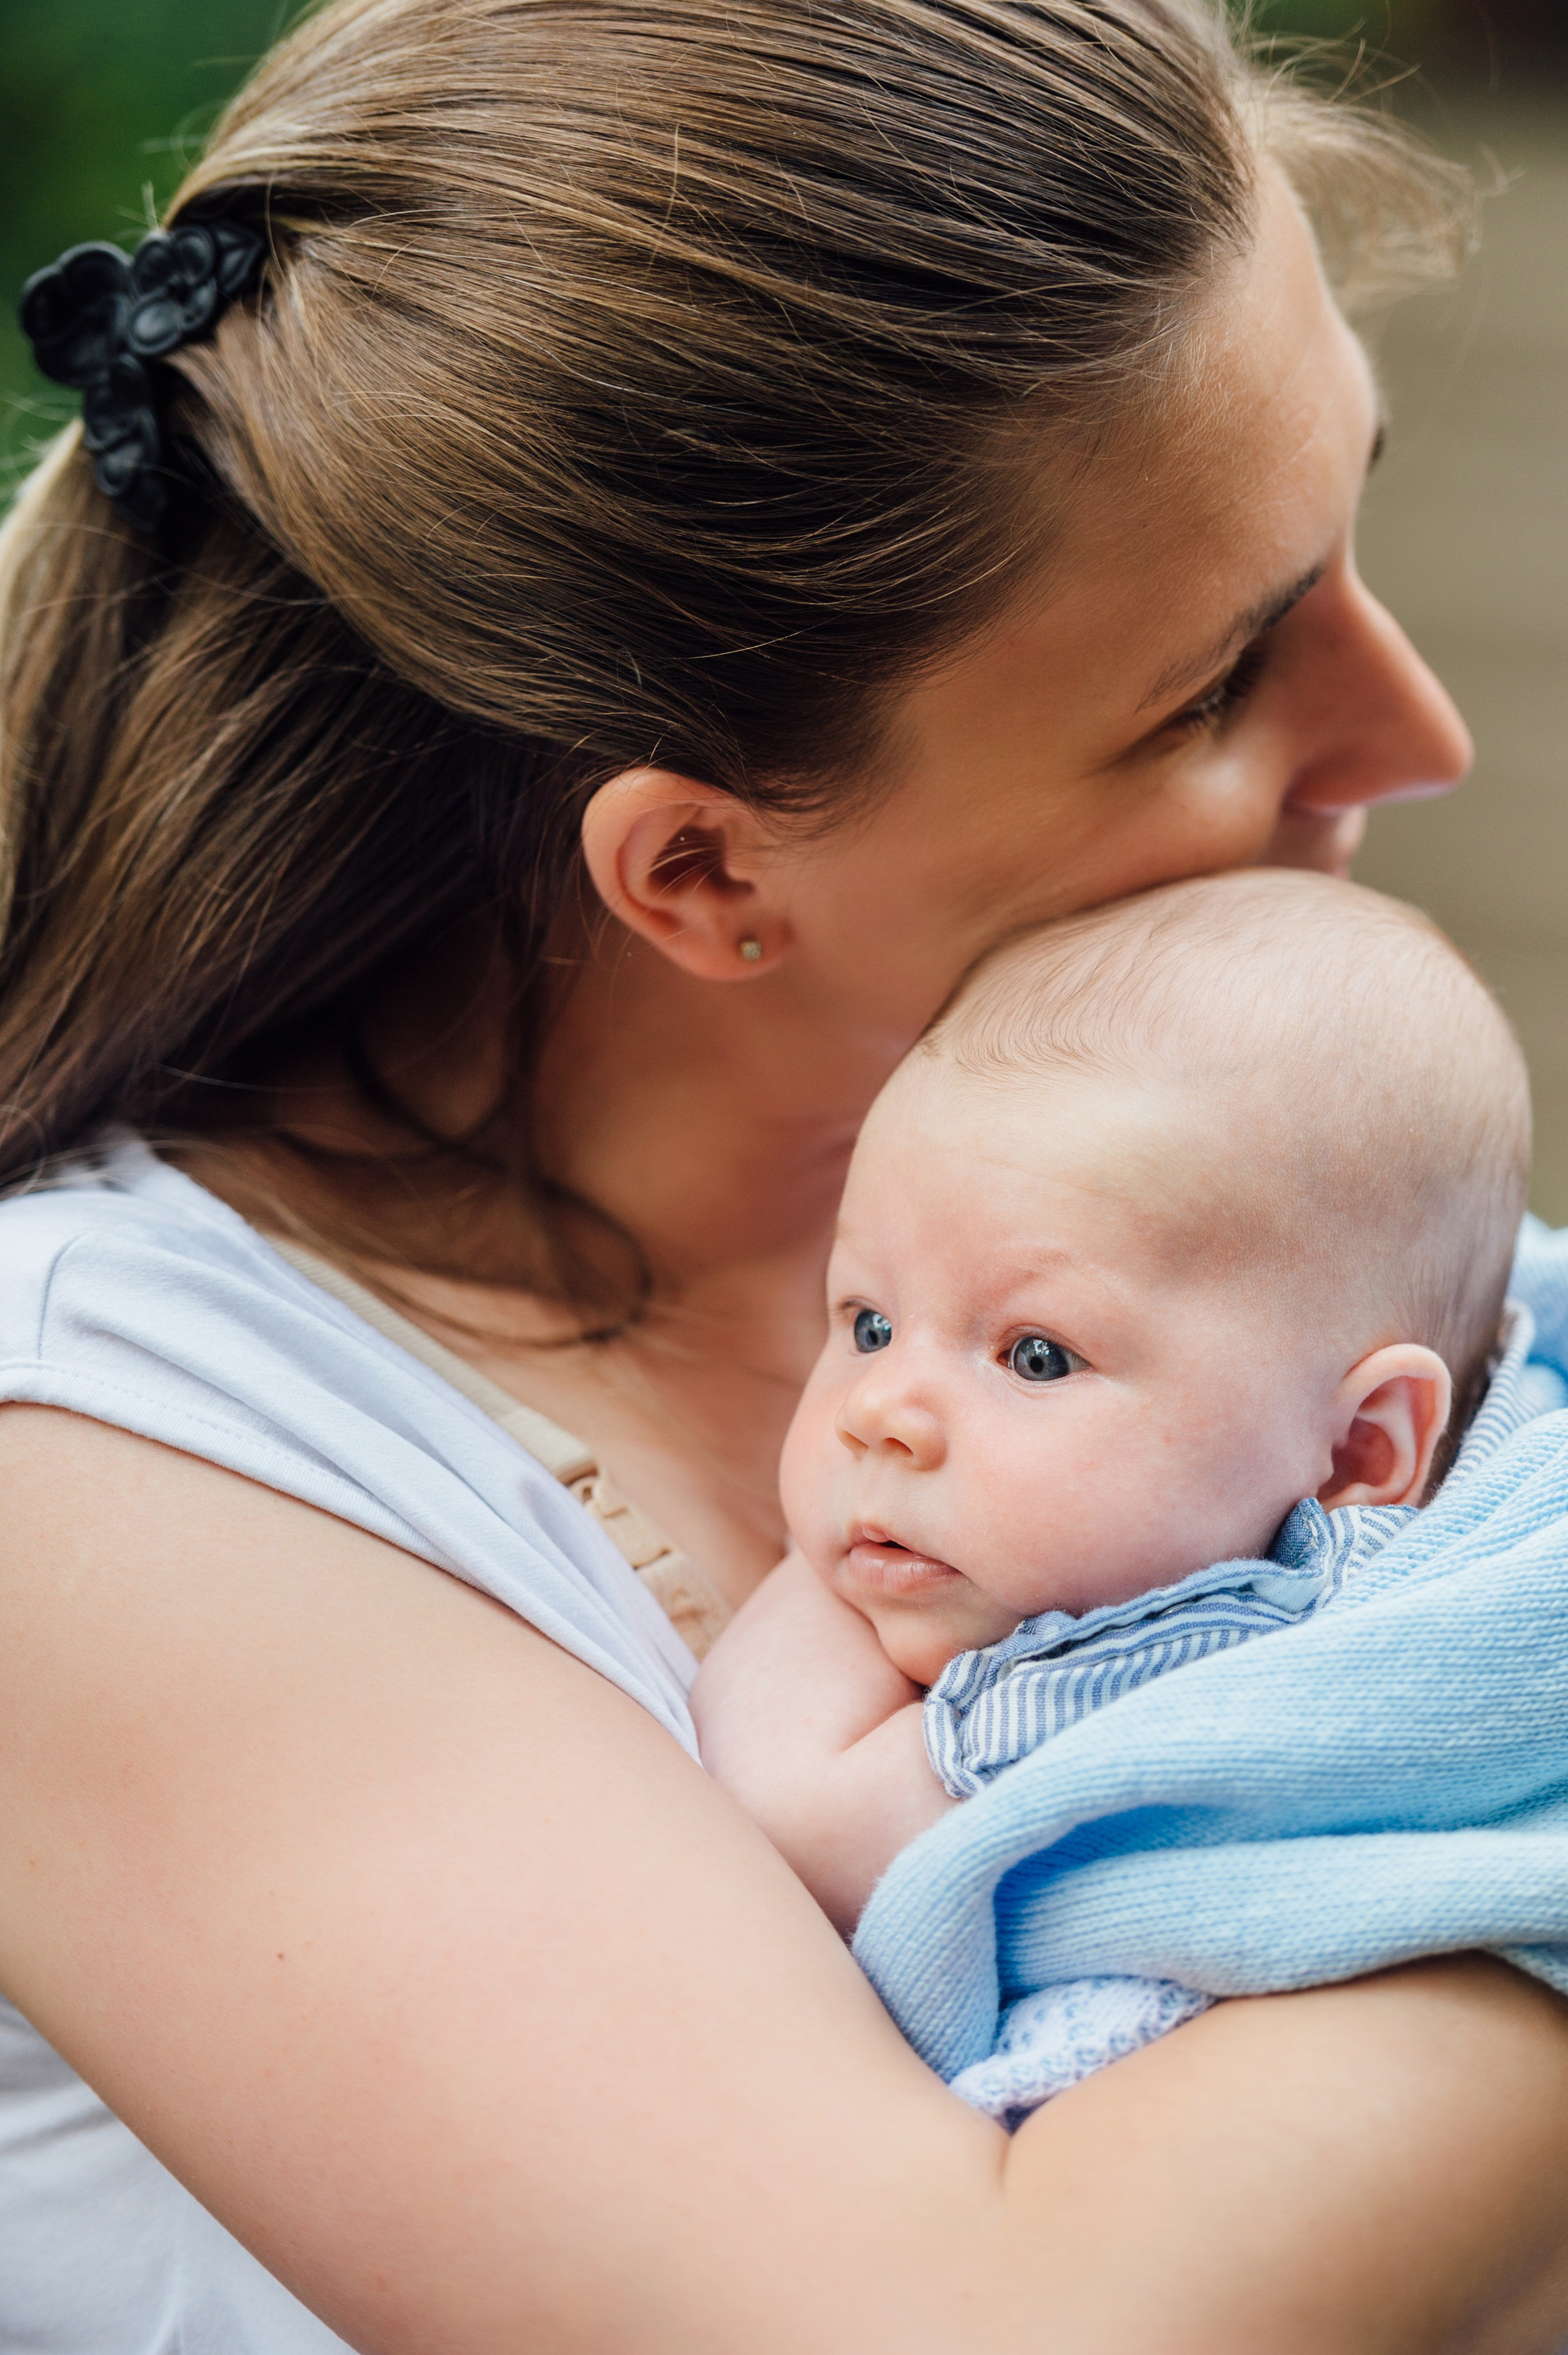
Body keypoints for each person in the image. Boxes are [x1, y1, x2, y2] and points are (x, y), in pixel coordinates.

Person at [3, 1, 1568, 2349]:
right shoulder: (100, 1479)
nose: (1417, 732)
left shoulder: (1244, 1210)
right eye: (1215, 684)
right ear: (707, 870)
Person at [690, 868, 1538, 1945]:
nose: (880, 1410)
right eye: (868, 1323)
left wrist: (815, 1582)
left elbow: (799, 1806)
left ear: (1358, 1450)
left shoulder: (1174, 1666)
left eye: (1036, 1355)